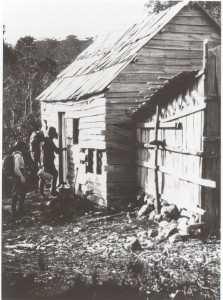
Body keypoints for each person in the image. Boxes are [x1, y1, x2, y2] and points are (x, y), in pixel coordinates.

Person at [39, 127, 67, 196]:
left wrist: (63, 149)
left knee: (44, 176)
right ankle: (51, 191)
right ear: (51, 134)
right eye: (53, 135)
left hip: (46, 162)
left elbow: (56, 150)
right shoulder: (47, 142)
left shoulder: (48, 141)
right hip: (47, 162)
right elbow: (56, 151)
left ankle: (45, 192)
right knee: (51, 175)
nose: (54, 137)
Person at [11, 141, 28, 216]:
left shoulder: (17, 154)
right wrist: (21, 176)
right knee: (17, 193)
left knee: (21, 192)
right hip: (18, 175)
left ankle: (19, 209)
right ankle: (15, 211)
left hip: (19, 174)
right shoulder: (18, 155)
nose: (25, 149)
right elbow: (16, 168)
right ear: (21, 148)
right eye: (24, 147)